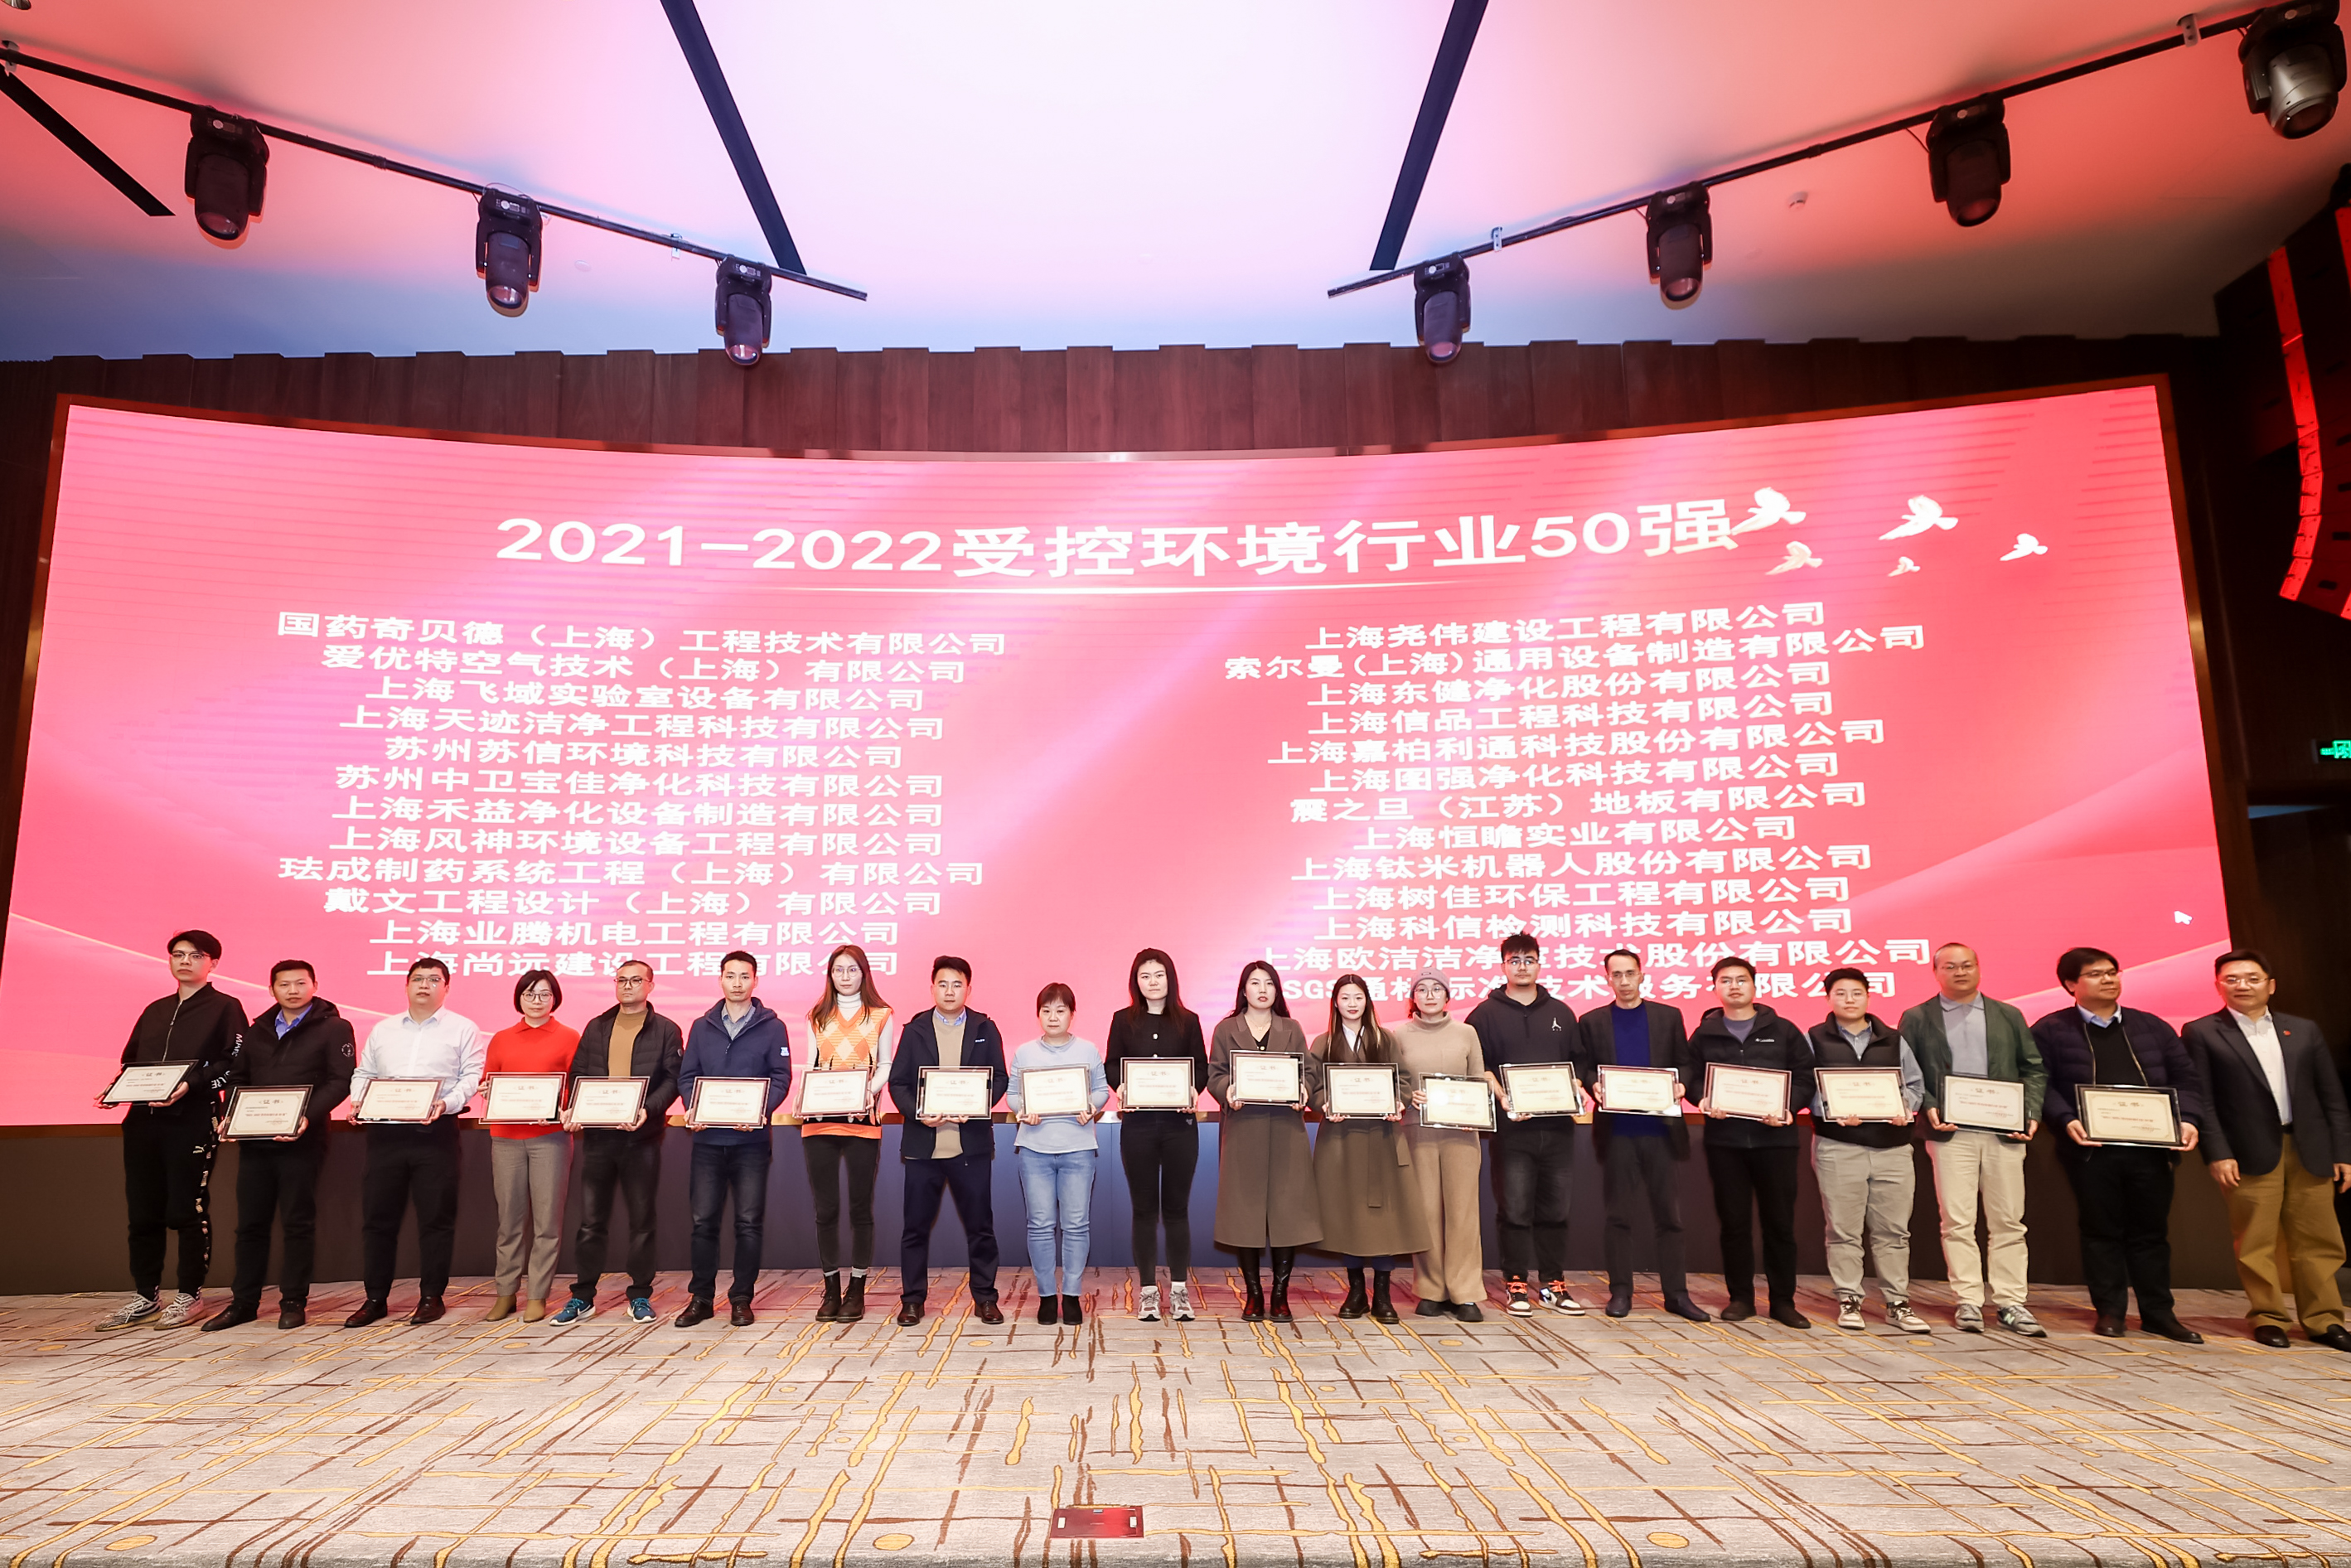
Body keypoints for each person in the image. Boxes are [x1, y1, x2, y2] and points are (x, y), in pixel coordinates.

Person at [2030, 947, 2208, 1343]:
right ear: (2071, 984)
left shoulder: (2152, 1026)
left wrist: (2188, 1119)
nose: (2108, 979)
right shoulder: (2051, 1029)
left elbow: (2186, 1079)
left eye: (2112, 972)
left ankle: (2159, 1314)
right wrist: (2066, 1118)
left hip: (2151, 1149)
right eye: (2096, 974)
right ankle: (2110, 1311)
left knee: (2151, 1233)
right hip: (2090, 1150)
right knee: (2101, 1231)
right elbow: (2040, 1084)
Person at [2183, 949, 2351, 1351]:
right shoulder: (2202, 1031)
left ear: (2270, 985)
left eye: (2252, 978)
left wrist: (2342, 1151)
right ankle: (2269, 1317)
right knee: (2256, 1242)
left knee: (2319, 1239)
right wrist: (2217, 1152)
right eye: (2232, 979)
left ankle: (2324, 1320)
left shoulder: (2303, 1030)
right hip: (2246, 1152)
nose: (2243, 985)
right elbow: (2203, 1099)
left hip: (2310, 1148)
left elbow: (2331, 1095)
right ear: (2218, 986)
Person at [93, 929, 246, 1333]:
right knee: (143, 1212)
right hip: (143, 1121)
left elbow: (233, 1063)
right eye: (178, 954)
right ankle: (146, 1295)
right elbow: (131, 1062)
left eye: (195, 955)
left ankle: (190, 1295)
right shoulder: (155, 1009)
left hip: (191, 1119)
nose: (185, 962)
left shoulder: (226, 1007)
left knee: (185, 1209)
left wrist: (190, 1086)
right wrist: (116, 1089)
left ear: (213, 963)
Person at [1899, 942, 2047, 1338]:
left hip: (2004, 1130)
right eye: (1950, 966)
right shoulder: (1917, 1017)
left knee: (2008, 1220)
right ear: (1936, 973)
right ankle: (1967, 1299)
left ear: (1979, 968)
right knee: (1957, 1220)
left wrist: (2030, 1112)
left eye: (1967, 965)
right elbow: (1907, 1072)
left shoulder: (2007, 1015)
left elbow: (2033, 1068)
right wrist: (1929, 1104)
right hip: (1950, 1134)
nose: (1960, 972)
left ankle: (2011, 1302)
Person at [201, 960, 355, 1333]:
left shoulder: (335, 1027)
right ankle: (244, 1303)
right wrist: (232, 1115)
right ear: (272, 990)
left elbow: (340, 1080)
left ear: (315, 985)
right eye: (284, 985)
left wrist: (306, 1116)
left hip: (303, 1138)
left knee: (297, 1223)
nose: (292, 991)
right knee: (249, 1226)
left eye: (300, 983)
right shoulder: (259, 1029)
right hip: (256, 1141)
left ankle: (293, 1301)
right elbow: (238, 1078)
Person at [346, 956, 486, 1327]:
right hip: (385, 1135)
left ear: (446, 988)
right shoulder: (384, 1029)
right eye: (418, 979)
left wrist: (446, 1104)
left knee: (436, 1219)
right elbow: (364, 1072)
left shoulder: (463, 1028)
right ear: (406, 985)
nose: (425, 985)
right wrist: (359, 1101)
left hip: (434, 1132)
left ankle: (431, 1296)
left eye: (434, 979)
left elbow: (471, 1076)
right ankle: (375, 1298)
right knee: (378, 1220)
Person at [1578, 949, 1708, 1322]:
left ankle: (1676, 1294)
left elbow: (1684, 1062)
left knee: (1670, 1217)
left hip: (1661, 1131)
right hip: (1618, 1131)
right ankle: (1620, 1291)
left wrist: (1681, 1085)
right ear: (1607, 979)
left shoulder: (1669, 1016)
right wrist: (1592, 1083)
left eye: (1630, 973)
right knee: (1618, 1216)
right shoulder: (1592, 1021)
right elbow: (1585, 1066)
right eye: (1616, 975)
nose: (1624, 981)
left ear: (1641, 975)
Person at [553, 959, 682, 1326]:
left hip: (641, 1138)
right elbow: (578, 1073)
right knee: (591, 1223)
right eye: (621, 980)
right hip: (598, 1138)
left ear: (650, 985)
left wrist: (648, 1110)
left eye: (636, 980)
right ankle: (582, 1296)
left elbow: (673, 1080)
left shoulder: (666, 1029)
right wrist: (575, 1108)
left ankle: (640, 1294)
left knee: (642, 1222)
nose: (627, 986)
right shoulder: (596, 1027)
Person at [1690, 956, 1816, 1328]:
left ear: (1754, 985)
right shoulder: (1705, 1033)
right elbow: (1691, 1076)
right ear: (1715, 988)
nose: (1734, 986)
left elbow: (1805, 1077)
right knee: (1734, 1224)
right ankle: (1741, 1297)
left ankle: (1783, 1302)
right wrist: (1703, 1099)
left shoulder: (1784, 1029)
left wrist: (1790, 1107)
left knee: (1780, 1225)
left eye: (1741, 979)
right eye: (1726, 980)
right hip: (1725, 1142)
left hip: (1775, 1141)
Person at [1468, 932, 1589, 1319]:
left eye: (1529, 960)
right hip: (1512, 1129)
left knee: (1556, 1209)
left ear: (1539, 963)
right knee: (1515, 1209)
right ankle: (1516, 1282)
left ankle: (1554, 1283)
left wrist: (1577, 1085)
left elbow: (1579, 1062)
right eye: (1515, 960)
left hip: (1557, 1129)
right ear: (1503, 965)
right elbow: (1478, 1066)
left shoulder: (1562, 1012)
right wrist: (1503, 1096)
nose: (1522, 967)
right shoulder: (1484, 1015)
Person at [1804, 968, 1930, 1335]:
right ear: (1828, 998)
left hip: (1893, 1147)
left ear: (1868, 997)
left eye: (1856, 993)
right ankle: (1849, 1298)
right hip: (1839, 1146)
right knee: (1843, 1230)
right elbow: (1806, 1086)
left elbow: (1915, 1084)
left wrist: (1904, 1107)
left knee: (1894, 1231)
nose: (1849, 1000)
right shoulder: (1813, 1038)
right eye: (1841, 993)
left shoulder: (1893, 1039)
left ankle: (1897, 1303)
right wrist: (1832, 1109)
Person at [888, 956, 1010, 1326]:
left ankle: (985, 1298)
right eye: (943, 984)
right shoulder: (915, 1029)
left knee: (980, 1228)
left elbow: (1000, 1078)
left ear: (968, 989)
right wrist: (918, 1112)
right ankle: (912, 1300)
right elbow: (899, 1083)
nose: (950, 991)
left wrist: (977, 1105)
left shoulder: (985, 1028)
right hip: (923, 1147)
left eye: (957, 984)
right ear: (932, 988)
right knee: (915, 1229)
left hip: (970, 1146)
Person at [675, 950, 791, 1327]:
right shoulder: (701, 1025)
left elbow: (781, 1077)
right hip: (708, 1141)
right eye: (730, 975)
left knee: (748, 1223)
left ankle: (742, 1298)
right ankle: (701, 1299)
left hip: (750, 1142)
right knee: (703, 1222)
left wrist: (758, 1110)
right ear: (720, 979)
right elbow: (688, 1076)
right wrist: (695, 1106)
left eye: (744, 976)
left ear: (755, 980)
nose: (737, 983)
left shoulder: (773, 1027)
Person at [1308, 973, 1427, 1324]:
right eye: (1345, 997)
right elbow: (1313, 1085)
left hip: (1381, 1138)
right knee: (1348, 1216)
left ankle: (1384, 1295)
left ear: (1367, 1001)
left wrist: (1399, 1101)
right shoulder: (1323, 1042)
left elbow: (1403, 1080)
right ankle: (1357, 1292)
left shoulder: (1384, 1038)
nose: (1352, 1004)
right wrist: (1324, 1104)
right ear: (1335, 1002)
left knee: (1384, 1217)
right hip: (1341, 1141)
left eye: (1358, 997)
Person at [1207, 960, 1320, 1321]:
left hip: (1286, 1130)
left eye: (1269, 983)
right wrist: (1228, 1091)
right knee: (1245, 1214)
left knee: (1287, 1213)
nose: (1262, 989)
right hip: (1244, 1130)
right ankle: (1254, 1294)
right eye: (1255, 983)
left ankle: (1281, 1295)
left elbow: (1308, 1072)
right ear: (1243, 990)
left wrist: (1303, 1089)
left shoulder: (1292, 1027)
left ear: (1277, 989)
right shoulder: (1226, 1029)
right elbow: (1215, 1073)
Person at [1103, 948, 1209, 1322]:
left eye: (1159, 975)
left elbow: (1201, 1067)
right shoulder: (1122, 1020)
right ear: (1136, 981)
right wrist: (1122, 1087)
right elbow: (1112, 1065)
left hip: (1179, 1127)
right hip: (1139, 1127)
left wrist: (1194, 1089)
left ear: (1170, 978)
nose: (1152, 982)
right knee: (1144, 1210)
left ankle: (1179, 1290)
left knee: (1177, 1210)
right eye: (1145, 976)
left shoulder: (1189, 1020)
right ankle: (1148, 1291)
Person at [795, 944, 894, 1324]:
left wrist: (866, 1093)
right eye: (839, 970)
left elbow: (886, 1065)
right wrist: (805, 1095)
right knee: (826, 1210)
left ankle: (857, 1289)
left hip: (862, 1121)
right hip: (819, 1120)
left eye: (853, 969)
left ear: (864, 973)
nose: (846, 976)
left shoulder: (882, 1014)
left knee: (859, 1209)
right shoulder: (816, 1015)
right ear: (830, 974)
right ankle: (831, 1288)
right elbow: (811, 1063)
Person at [1009, 983, 1110, 1324]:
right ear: (1038, 1014)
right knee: (1040, 1225)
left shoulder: (1088, 1050)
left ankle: (1072, 1295)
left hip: (1078, 1149)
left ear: (1072, 1014)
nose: (1053, 1017)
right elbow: (1012, 1095)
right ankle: (1046, 1296)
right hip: (1034, 1149)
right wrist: (1024, 1110)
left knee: (1076, 1226)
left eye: (1060, 1010)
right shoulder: (1025, 1052)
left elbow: (1101, 1090)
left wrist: (1091, 1107)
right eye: (1046, 1010)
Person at [481, 969, 579, 1322]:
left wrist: (561, 1107)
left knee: (547, 1222)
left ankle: (538, 1294)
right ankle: (505, 1293)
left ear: (555, 998)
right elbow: (488, 1081)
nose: (537, 1001)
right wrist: (488, 1090)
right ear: (519, 998)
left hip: (550, 1138)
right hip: (505, 1137)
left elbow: (576, 1086)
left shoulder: (570, 1037)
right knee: (508, 1220)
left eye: (544, 994)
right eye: (529, 994)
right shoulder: (501, 1038)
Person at [1398, 967, 1490, 1322]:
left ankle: (1465, 1292)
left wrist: (1476, 1112)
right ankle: (1431, 1289)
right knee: (1426, 1211)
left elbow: (1478, 1079)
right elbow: (1394, 1081)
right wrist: (1409, 1095)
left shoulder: (1467, 1033)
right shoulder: (1398, 1035)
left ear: (1448, 995)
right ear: (1413, 997)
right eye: (1422, 989)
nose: (1430, 995)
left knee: (1463, 1212)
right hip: (1417, 1131)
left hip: (1462, 1132)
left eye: (1437, 989)